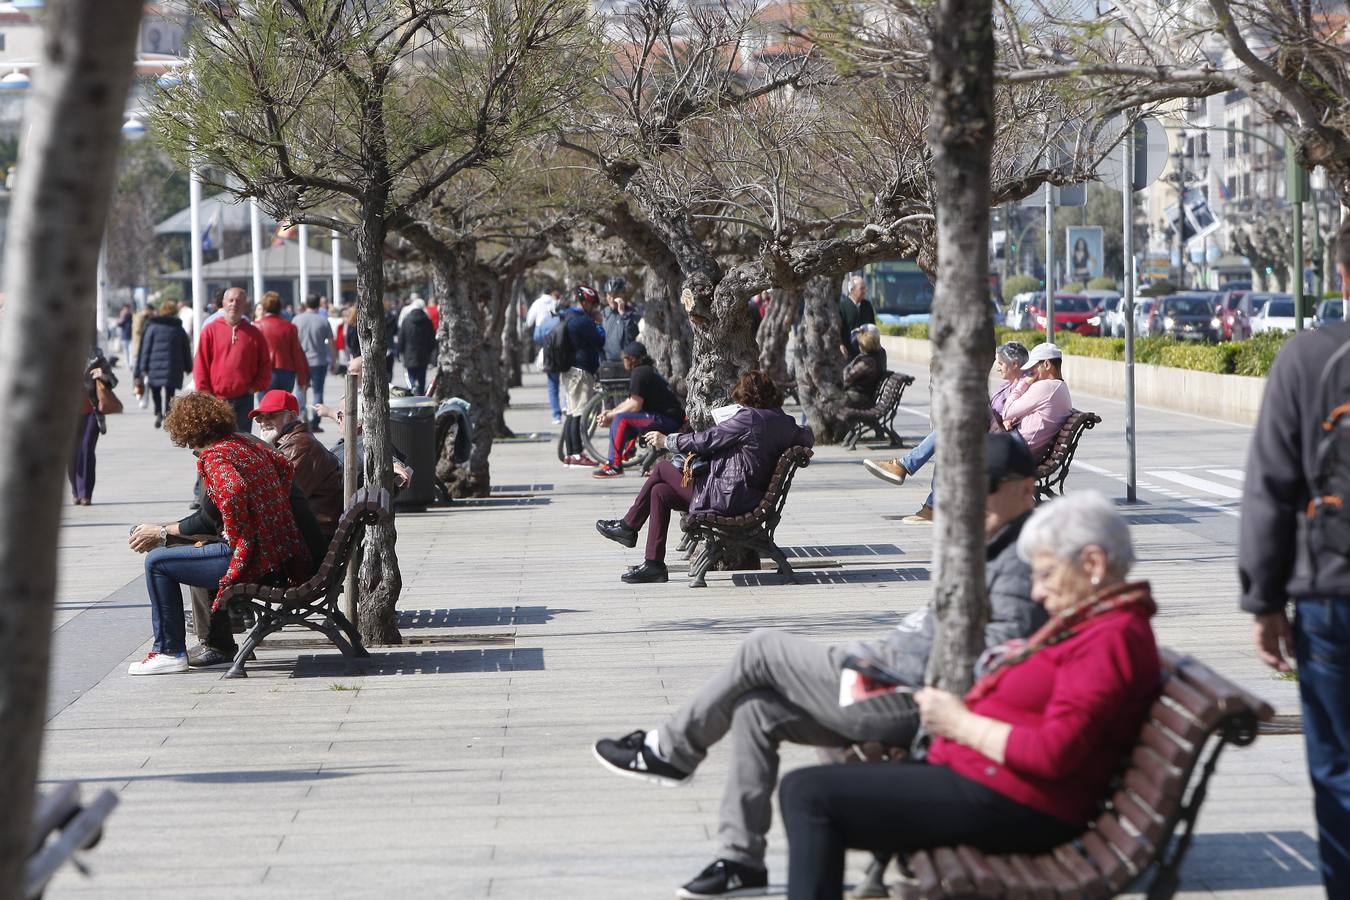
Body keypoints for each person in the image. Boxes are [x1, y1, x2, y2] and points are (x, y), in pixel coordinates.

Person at [592, 433, 1046, 899]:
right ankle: (740, 859)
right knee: (755, 710)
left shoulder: (1021, 562)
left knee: (762, 648)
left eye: (986, 484)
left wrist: (902, 672)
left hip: (903, 694)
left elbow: (998, 656)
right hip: (886, 671)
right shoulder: (986, 544)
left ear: (1025, 488)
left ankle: (671, 750)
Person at [779, 492, 1160, 900]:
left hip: (1019, 802)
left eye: (1046, 574)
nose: (1036, 593)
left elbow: (1054, 751)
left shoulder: (1111, 638)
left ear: (1093, 564)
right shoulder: (1094, 624)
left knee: (808, 794)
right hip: (990, 782)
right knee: (813, 789)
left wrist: (960, 722)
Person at [1240, 220, 1350, 896]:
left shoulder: (1307, 359)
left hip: (1330, 598)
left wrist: (1263, 600)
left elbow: (1270, 487)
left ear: (1342, 275)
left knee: (1337, 766)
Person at [124, 392, 311, 675]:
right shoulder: (243, 444)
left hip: (252, 558)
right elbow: (282, 467)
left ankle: (168, 650)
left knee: (157, 562)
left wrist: (235, 531)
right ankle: (217, 644)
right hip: (276, 554)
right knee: (192, 546)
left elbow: (232, 491)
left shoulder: (215, 455)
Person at [594, 371, 812, 584]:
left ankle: (628, 527)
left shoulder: (749, 418)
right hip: (745, 496)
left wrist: (667, 441)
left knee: (661, 468)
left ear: (748, 399)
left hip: (728, 499)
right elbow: (808, 434)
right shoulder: (783, 422)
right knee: (660, 492)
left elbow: (706, 439)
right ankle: (653, 565)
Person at [863, 341, 1062, 524]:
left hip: (1012, 448)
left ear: (1046, 365)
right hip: (1006, 440)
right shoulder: (1041, 387)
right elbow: (1017, 416)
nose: (1031, 371)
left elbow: (1010, 411)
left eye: (1035, 366)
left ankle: (910, 475)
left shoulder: (1045, 387)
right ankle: (913, 478)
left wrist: (1021, 386)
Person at [252, 389, 344, 542]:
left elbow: (275, 498)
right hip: (301, 533)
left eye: (272, 415)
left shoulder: (300, 446)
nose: (264, 422)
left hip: (306, 539)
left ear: (292, 416)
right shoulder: (292, 442)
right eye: (260, 418)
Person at [592, 341, 684, 478]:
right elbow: (630, 401)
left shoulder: (640, 373)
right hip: (665, 416)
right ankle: (623, 455)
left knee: (621, 419)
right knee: (620, 418)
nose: (624, 361)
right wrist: (610, 413)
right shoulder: (644, 370)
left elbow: (635, 405)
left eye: (626, 358)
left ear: (632, 359)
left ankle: (614, 465)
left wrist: (612, 416)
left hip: (668, 418)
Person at [193, 286, 272, 430]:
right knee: (217, 441)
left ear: (245, 305)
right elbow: (201, 364)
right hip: (216, 399)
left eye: (238, 301)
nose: (234, 304)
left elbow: (265, 364)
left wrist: (256, 386)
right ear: (223, 304)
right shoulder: (210, 330)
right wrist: (204, 394)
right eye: (230, 300)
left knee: (242, 442)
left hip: (244, 399)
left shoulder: (254, 333)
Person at [559, 284, 607, 469]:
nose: (594, 307)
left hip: (570, 370)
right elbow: (599, 340)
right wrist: (599, 324)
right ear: (586, 301)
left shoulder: (568, 316)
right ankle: (578, 454)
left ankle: (571, 454)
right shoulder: (583, 321)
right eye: (593, 303)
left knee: (572, 413)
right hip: (581, 371)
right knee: (580, 414)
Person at [134, 299, 192, 428]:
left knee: (155, 389)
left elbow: (145, 349)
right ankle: (167, 412)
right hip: (173, 365)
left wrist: (142, 368)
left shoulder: (152, 327)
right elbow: (186, 348)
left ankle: (159, 412)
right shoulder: (178, 328)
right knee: (170, 390)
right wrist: (188, 366)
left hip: (154, 366)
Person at [70, 349, 116, 506]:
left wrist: (102, 375)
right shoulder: (60, 354)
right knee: (72, 453)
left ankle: (85, 494)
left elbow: (113, 381)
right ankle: (76, 490)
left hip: (92, 413)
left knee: (86, 449)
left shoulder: (97, 357)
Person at [292, 294, 335, 431]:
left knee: (300, 390)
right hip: (319, 360)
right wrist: (335, 360)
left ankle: (301, 417)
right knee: (318, 391)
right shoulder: (323, 320)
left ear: (306, 304)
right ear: (318, 304)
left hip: (301, 361)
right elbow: (331, 343)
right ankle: (315, 422)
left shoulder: (297, 320)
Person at [256, 290, 309, 398]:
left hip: (265, 372)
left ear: (264, 307)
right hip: (287, 373)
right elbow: (296, 354)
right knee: (283, 409)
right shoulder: (290, 327)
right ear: (280, 307)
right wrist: (302, 380)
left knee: (265, 410)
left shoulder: (257, 326)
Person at [527, 287, 564, 422]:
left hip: (550, 352)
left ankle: (556, 415)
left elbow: (529, 323)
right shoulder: (562, 314)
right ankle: (568, 407)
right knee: (569, 382)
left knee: (553, 384)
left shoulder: (537, 304)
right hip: (565, 353)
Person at [398, 296, 437, 396]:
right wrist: (430, 352)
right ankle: (420, 395)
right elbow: (432, 339)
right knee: (422, 378)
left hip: (409, 354)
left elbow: (401, 338)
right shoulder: (427, 321)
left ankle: (412, 392)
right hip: (423, 355)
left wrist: (400, 351)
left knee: (411, 376)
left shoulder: (406, 321)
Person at [842, 324, 887, 408]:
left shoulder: (866, 362)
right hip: (867, 394)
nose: (858, 346)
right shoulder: (881, 353)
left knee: (827, 398)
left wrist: (844, 363)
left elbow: (846, 378)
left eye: (859, 344)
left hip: (859, 396)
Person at [602, 277, 641, 363]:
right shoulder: (603, 313)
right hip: (606, 364)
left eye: (615, 295)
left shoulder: (631, 313)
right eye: (609, 295)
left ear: (622, 294)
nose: (612, 299)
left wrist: (623, 314)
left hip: (626, 364)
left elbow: (632, 335)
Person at [838, 275, 875, 358]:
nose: (864, 291)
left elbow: (873, 326)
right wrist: (840, 345)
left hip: (866, 352)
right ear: (852, 290)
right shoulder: (842, 306)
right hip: (848, 353)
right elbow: (837, 329)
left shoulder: (867, 305)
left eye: (865, 288)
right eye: (861, 288)